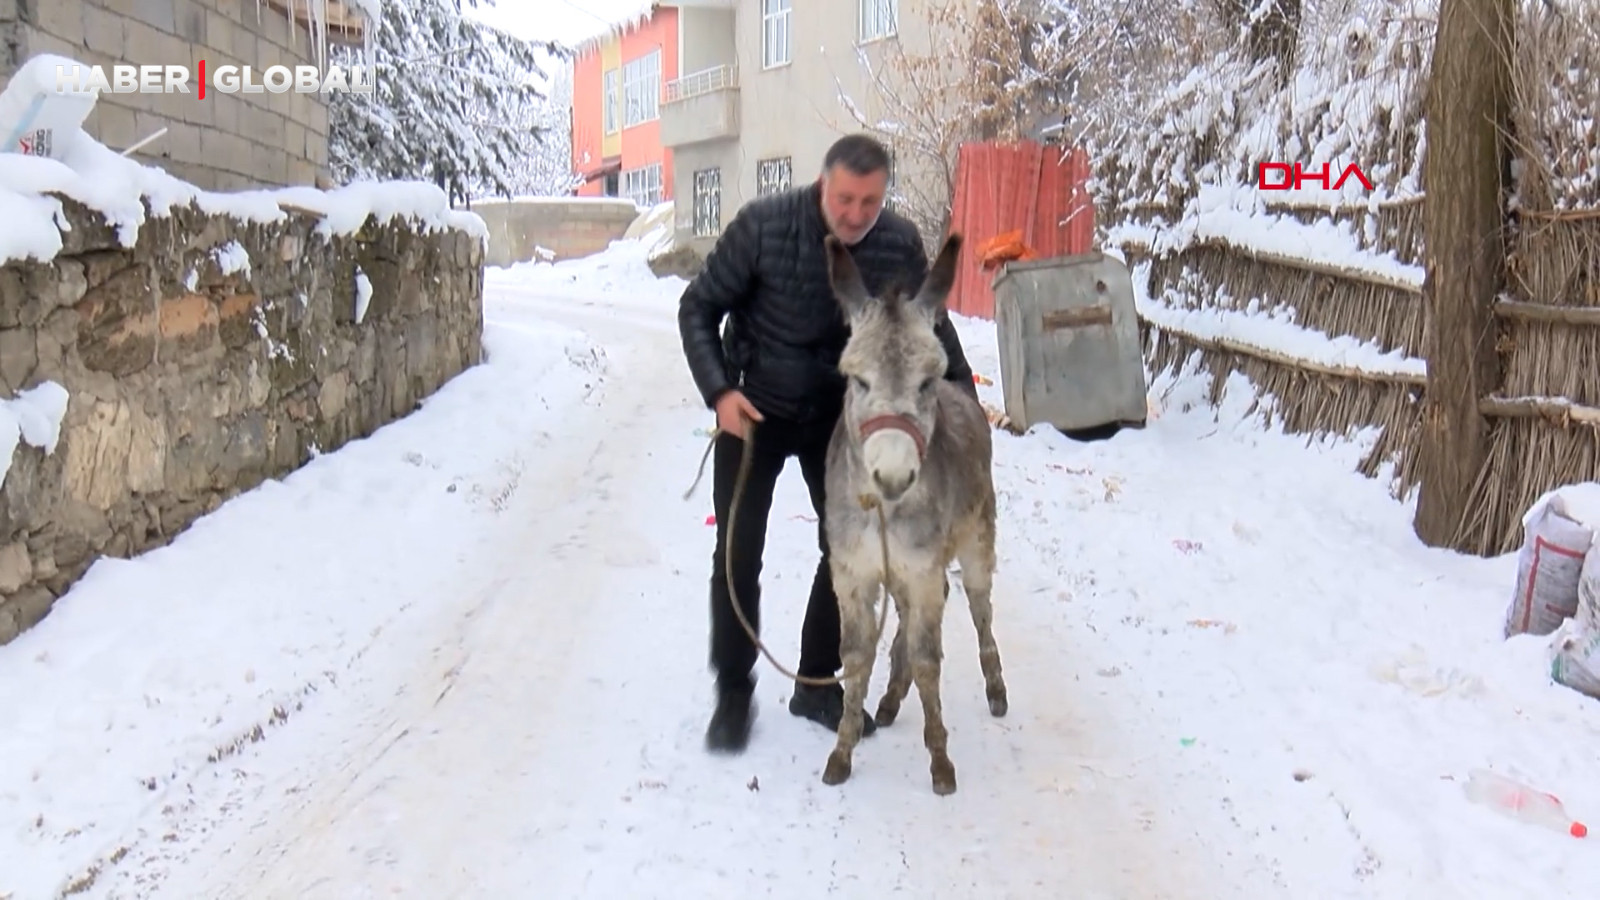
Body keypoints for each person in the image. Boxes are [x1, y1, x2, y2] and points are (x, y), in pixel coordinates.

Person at [677, 133, 980, 753]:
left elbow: (933, 333)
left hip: (839, 424)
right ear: (824, 185)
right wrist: (719, 392)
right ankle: (734, 692)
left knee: (843, 550)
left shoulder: (897, 242)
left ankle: (816, 683)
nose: (855, 214)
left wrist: (964, 403)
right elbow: (697, 307)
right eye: (844, 198)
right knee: (738, 555)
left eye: (869, 201)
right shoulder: (762, 227)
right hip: (754, 413)